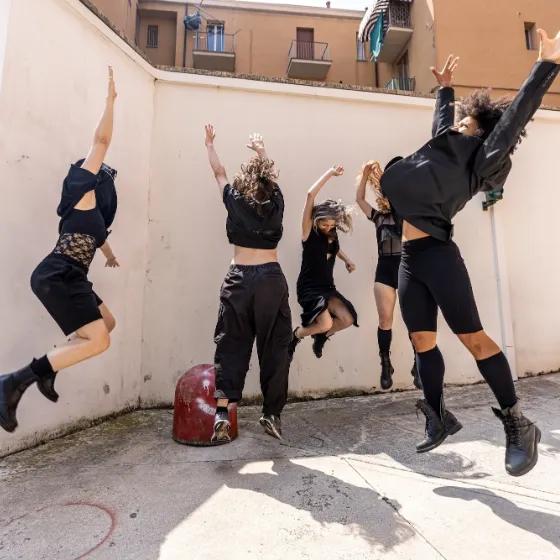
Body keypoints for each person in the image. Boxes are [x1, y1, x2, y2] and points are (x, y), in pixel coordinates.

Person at [379, 30, 560, 477]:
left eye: (466, 125)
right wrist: (445, 91)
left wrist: (546, 66)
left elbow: (514, 118)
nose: (458, 126)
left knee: (473, 339)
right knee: (422, 342)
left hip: (439, 257)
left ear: (481, 136)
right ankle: (439, 416)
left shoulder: (482, 160)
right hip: (409, 260)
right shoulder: (445, 151)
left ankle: (518, 424)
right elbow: (440, 133)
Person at [0, 67, 120, 433]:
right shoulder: (79, 191)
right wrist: (110, 101)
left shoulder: (91, 214)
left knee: (107, 323)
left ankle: (49, 368)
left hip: (73, 275)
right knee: (98, 339)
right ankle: (15, 381)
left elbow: (98, 238)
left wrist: (110, 256)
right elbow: (101, 141)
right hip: (58, 273)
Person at [205, 126, 292, 442]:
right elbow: (272, 178)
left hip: (239, 278)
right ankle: (271, 413)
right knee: (275, 346)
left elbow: (219, 173)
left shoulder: (234, 201)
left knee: (231, 343)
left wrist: (210, 145)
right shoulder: (277, 204)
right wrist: (262, 150)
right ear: (268, 183)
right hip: (270, 278)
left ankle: (221, 413)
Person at [356, 159, 421, 391]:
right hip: (384, 270)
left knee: (414, 320)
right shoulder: (379, 217)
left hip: (408, 269)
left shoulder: (412, 213)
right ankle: (385, 364)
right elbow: (360, 200)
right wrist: (365, 175)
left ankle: (419, 364)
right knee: (385, 321)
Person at [290, 167, 358, 360]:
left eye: (331, 225)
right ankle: (296, 335)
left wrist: (347, 260)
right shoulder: (308, 233)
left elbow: (335, 248)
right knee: (325, 323)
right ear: (316, 221)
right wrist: (330, 173)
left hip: (327, 287)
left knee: (347, 319)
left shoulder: (331, 234)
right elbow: (310, 195)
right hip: (309, 288)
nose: (328, 228)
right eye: (324, 225)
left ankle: (321, 337)